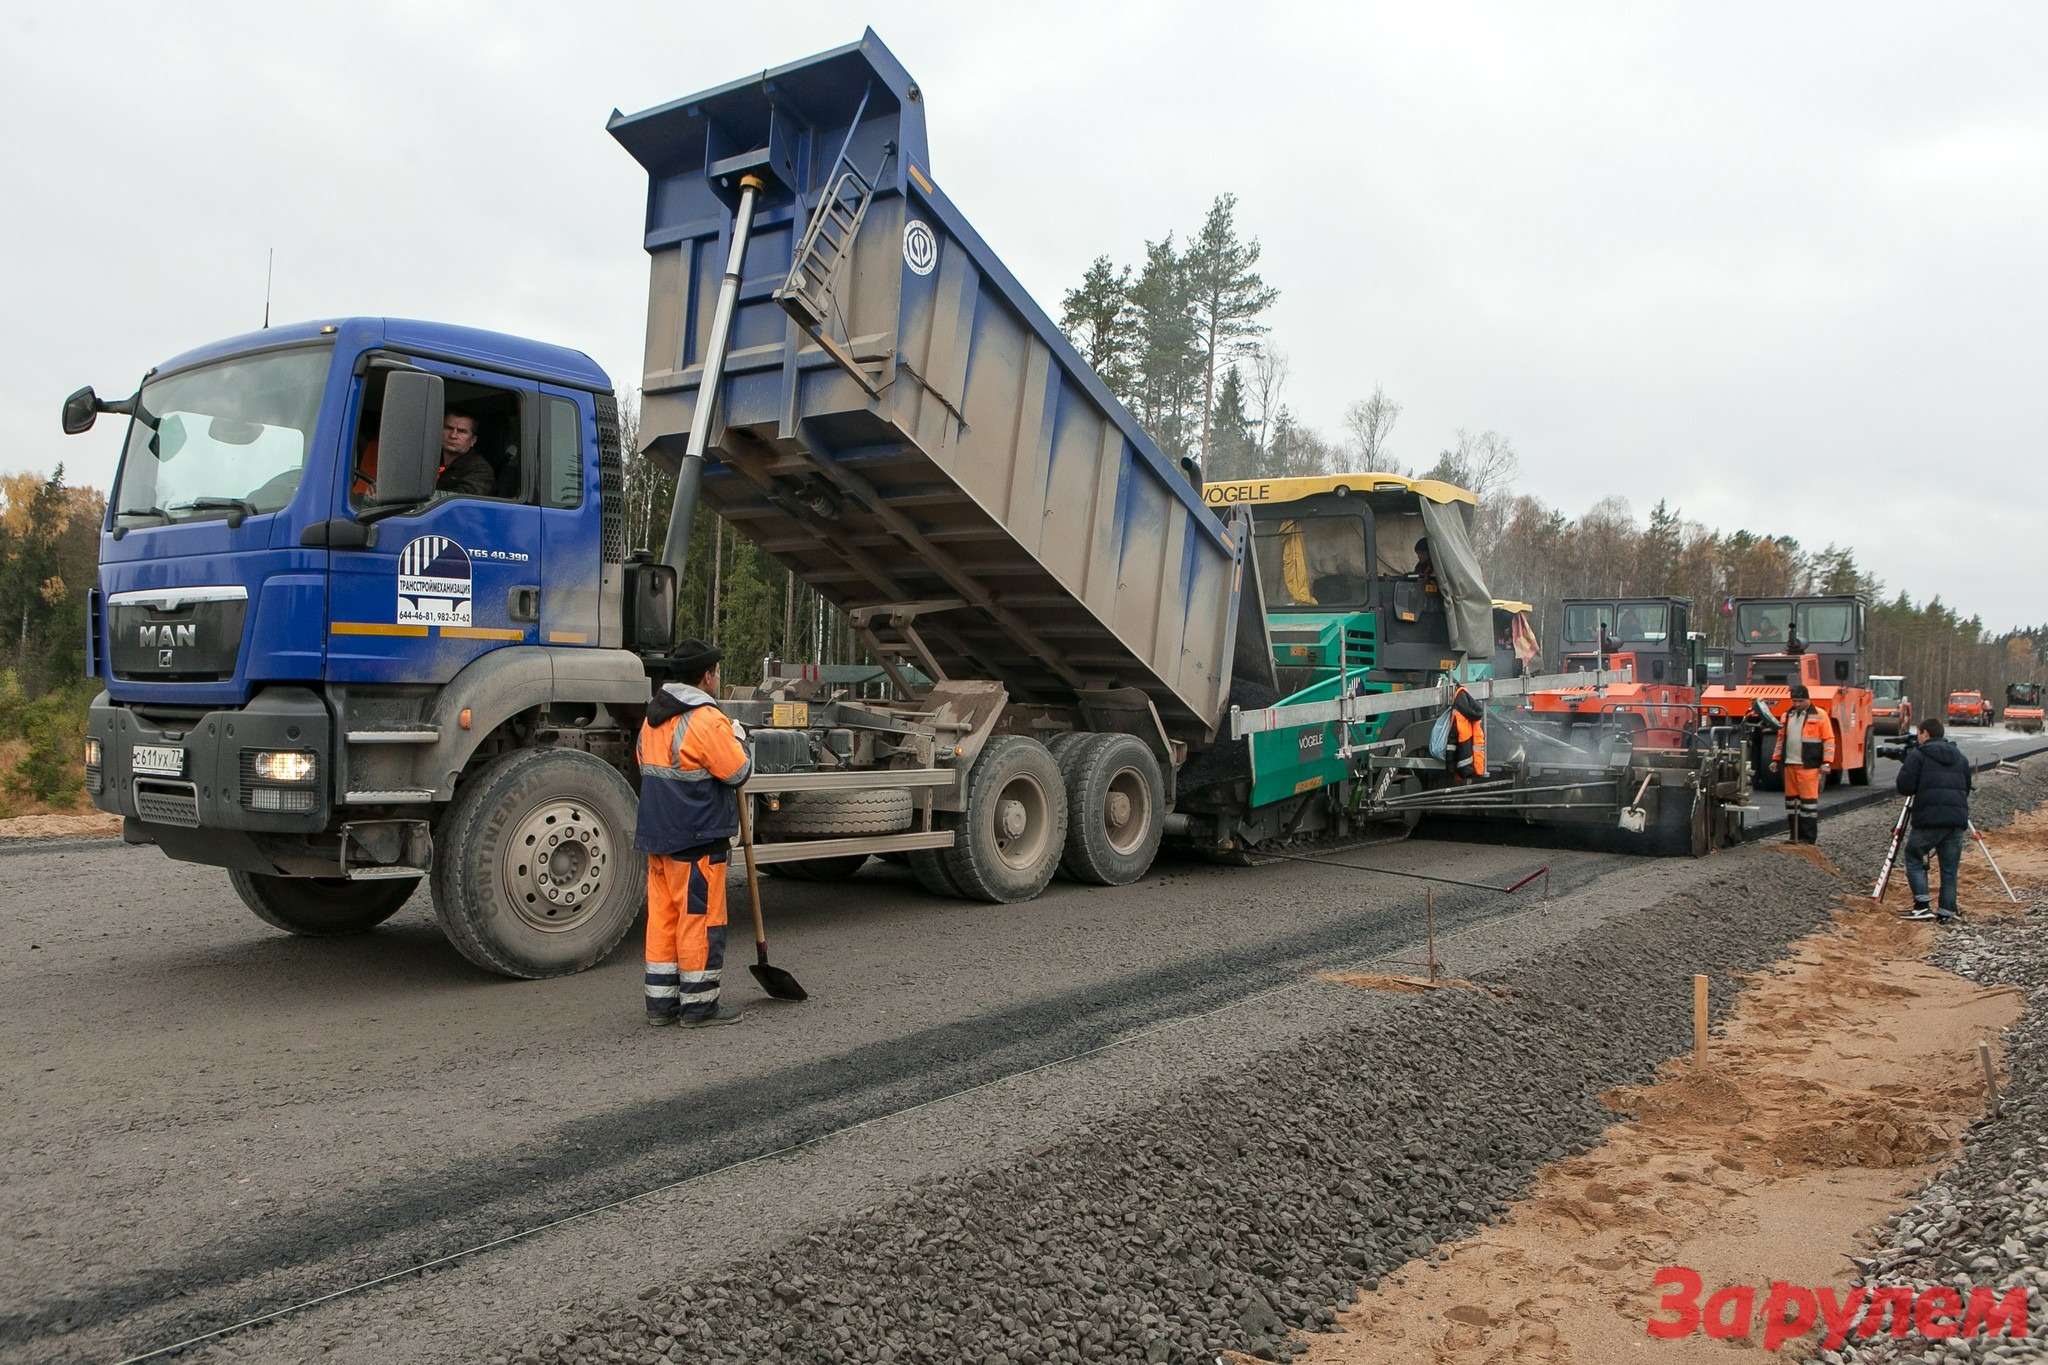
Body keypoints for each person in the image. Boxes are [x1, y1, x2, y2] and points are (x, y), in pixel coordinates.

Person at [635, 640, 753, 1027]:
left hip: (658, 837)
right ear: (706, 676)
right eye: (716, 672)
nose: (718, 678)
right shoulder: (706, 720)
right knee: (699, 920)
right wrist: (738, 738)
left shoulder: (652, 720)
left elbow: (645, 765)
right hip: (698, 838)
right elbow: (737, 772)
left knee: (663, 920)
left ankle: (661, 1005)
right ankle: (699, 1007)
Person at [1895, 717, 1972, 923]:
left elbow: (1905, 787)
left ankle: (1922, 906)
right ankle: (1946, 912)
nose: (1917, 738)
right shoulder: (1960, 756)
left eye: (1919, 733)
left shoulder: (1918, 755)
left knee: (1913, 856)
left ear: (1925, 733)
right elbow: (1966, 786)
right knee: (1949, 868)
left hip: (1929, 819)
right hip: (1956, 820)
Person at [1771, 683, 1834, 843]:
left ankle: (1808, 838)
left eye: (1800, 701)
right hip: (1790, 765)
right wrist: (1776, 759)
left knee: (1808, 805)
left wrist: (1827, 762)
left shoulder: (1820, 715)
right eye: (1794, 701)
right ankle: (1794, 836)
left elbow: (1828, 740)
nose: (1796, 704)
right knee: (1791, 804)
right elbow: (1780, 739)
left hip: (1808, 766)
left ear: (1807, 699)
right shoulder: (1787, 716)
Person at [436, 410, 497, 496]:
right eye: (448, 428)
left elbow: (459, 502)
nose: (453, 435)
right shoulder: (428, 458)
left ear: (473, 440)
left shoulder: (481, 470)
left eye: (462, 431)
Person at [1448, 686, 1487, 784]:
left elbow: (1452, 742)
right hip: (1472, 766)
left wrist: (1450, 767)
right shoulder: (1475, 716)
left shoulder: (1459, 713)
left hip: (1464, 766)